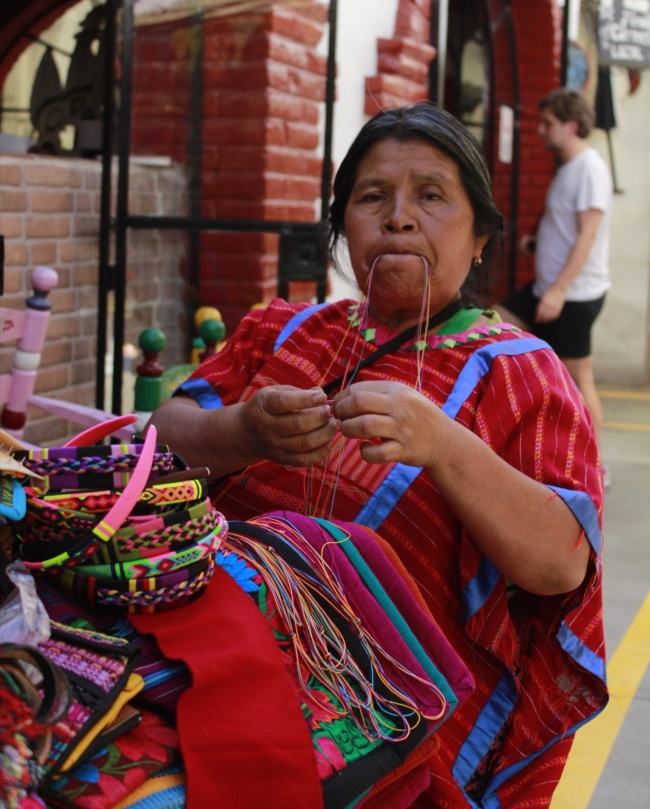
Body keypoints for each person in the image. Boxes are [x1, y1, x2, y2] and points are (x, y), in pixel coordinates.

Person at [147, 103, 607, 808]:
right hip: (209, 671)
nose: (398, 219)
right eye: (371, 198)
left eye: (431, 195)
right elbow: (159, 443)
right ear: (342, 229)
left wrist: (444, 445)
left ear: (480, 237)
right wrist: (242, 431)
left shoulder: (522, 372)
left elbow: (562, 562)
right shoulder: (285, 330)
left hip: (393, 724)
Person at [494, 88, 612, 479]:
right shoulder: (568, 167)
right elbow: (565, 228)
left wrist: (559, 290)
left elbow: (588, 234)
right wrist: (536, 243)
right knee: (492, 323)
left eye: (548, 123)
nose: (541, 130)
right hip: (546, 288)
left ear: (571, 125)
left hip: (574, 294)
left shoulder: (590, 168)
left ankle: (596, 469)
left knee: (579, 378)